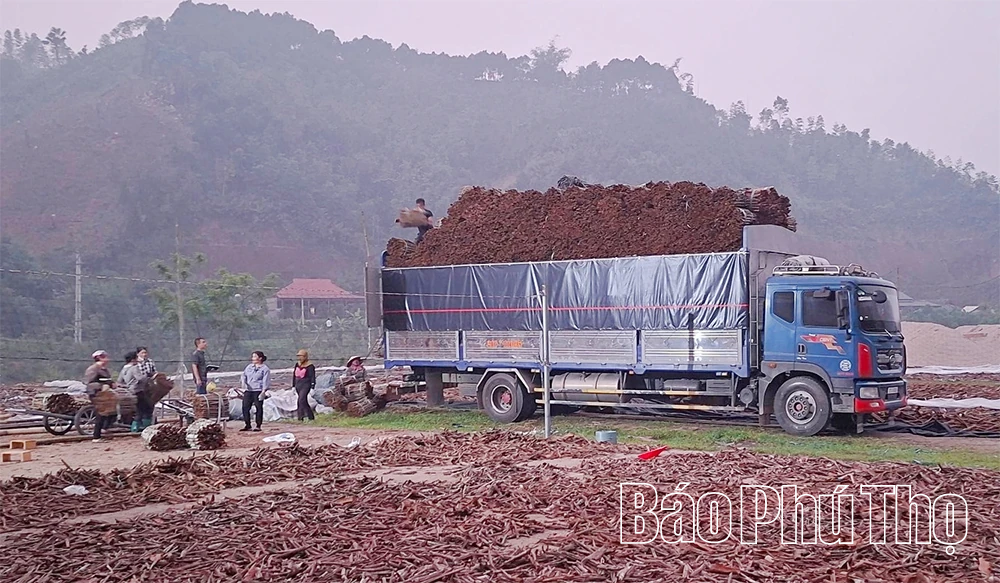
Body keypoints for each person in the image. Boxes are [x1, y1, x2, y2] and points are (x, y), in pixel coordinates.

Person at [84, 350, 116, 442]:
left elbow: (108, 380)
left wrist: (111, 384)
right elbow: (89, 383)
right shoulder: (92, 369)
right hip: (96, 393)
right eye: (104, 357)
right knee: (100, 414)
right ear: (98, 358)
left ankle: (104, 429)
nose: (106, 359)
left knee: (109, 412)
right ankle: (96, 437)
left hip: (105, 394)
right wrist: (101, 386)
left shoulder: (105, 370)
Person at [120, 351, 152, 433]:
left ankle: (136, 428)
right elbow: (140, 378)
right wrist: (148, 376)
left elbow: (119, 381)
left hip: (129, 391)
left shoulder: (124, 368)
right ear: (133, 359)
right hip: (137, 391)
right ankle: (144, 428)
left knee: (139, 409)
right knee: (147, 408)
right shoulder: (134, 368)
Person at [240, 351, 270, 432]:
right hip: (248, 390)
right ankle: (247, 424)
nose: (252, 358)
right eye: (252, 356)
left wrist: (263, 391)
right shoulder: (249, 367)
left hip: (258, 390)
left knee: (258, 408)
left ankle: (258, 425)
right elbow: (244, 375)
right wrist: (244, 383)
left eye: (254, 356)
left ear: (260, 358)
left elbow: (265, 380)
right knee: (245, 407)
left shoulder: (265, 369)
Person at [292, 349, 316, 421]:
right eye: (299, 356)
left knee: (301, 400)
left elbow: (312, 376)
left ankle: (300, 417)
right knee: (304, 401)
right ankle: (311, 416)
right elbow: (294, 375)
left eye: (301, 356)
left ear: (305, 356)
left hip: (306, 384)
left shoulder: (310, 366)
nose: (300, 358)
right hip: (298, 384)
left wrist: (312, 386)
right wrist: (293, 385)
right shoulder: (297, 364)